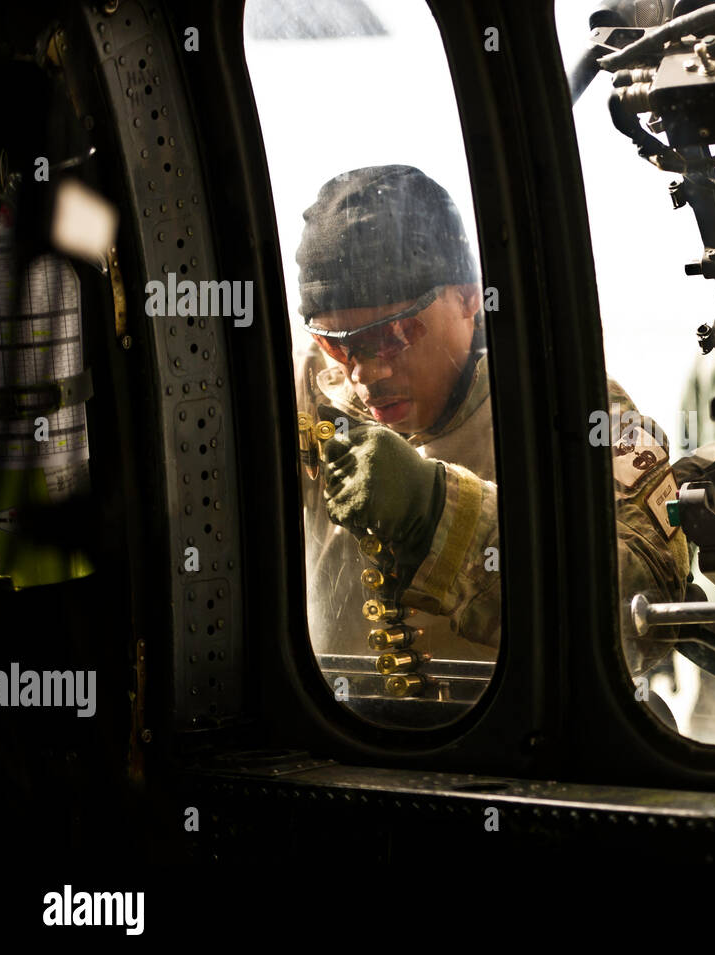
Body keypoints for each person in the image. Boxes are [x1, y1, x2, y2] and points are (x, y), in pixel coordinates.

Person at [294, 164, 690, 690]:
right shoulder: (307, 397)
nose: (367, 371)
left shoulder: (569, 407)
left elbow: (645, 604)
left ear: (468, 297)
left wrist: (437, 513)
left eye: (395, 334)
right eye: (337, 343)